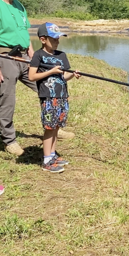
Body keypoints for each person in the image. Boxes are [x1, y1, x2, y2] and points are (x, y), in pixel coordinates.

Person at [0, 0, 74, 156]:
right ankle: (9, 140)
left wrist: (35, 59)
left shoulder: (19, 6)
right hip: (6, 55)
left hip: (25, 55)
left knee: (48, 85)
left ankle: (55, 126)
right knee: (7, 99)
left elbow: (25, 35)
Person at [28, 23, 79, 173]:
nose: (57, 42)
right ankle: (46, 161)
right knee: (49, 128)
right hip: (48, 97)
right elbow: (32, 76)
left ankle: (52, 155)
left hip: (62, 97)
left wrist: (72, 75)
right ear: (43, 39)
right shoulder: (38, 55)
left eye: (59, 39)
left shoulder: (61, 55)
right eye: (54, 39)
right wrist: (50, 72)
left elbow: (63, 76)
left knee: (56, 127)